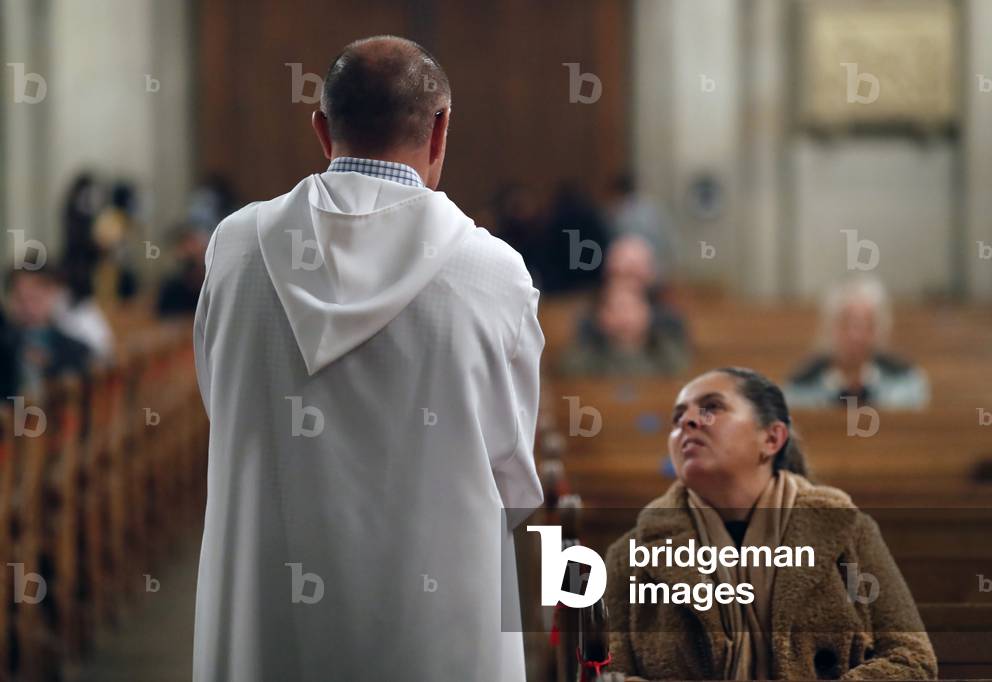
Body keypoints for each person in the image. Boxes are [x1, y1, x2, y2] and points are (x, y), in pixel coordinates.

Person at [192, 36, 544, 682]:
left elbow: (224, 405)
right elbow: (511, 472)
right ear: (440, 131)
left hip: (269, 600)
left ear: (322, 130)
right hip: (438, 617)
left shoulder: (236, 246)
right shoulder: (493, 272)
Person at [604, 368, 937, 680]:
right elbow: (607, 674)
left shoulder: (846, 528)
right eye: (677, 418)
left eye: (711, 408)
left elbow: (911, 659)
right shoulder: (630, 555)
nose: (687, 421)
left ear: (772, 438)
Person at [785, 276, 929, 409]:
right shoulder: (801, 386)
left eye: (867, 325)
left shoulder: (905, 382)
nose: (856, 335)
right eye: (846, 323)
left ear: (880, 330)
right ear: (830, 328)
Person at [559, 279, 689, 377]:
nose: (626, 316)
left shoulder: (669, 356)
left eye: (633, 307)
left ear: (648, 311)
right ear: (602, 316)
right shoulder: (582, 360)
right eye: (618, 308)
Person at [1, 267, 93, 399]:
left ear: (52, 295)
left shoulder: (75, 350)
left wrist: (49, 365)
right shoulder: (6, 346)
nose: (28, 308)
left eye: (35, 299)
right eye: (20, 299)